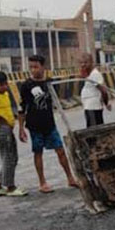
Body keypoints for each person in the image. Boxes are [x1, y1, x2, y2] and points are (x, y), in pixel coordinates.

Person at [18, 54, 78, 193]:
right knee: (38, 153)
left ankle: (70, 178)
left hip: (50, 124)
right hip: (34, 125)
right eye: (31, 67)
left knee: (61, 151)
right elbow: (22, 107)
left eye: (36, 67)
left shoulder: (50, 83)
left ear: (43, 67)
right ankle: (42, 182)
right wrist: (21, 128)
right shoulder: (26, 85)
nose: (33, 70)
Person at [79, 53, 111, 128]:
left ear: (91, 62)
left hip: (93, 108)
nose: (83, 65)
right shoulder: (89, 75)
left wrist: (106, 103)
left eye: (86, 62)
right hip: (89, 107)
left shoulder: (95, 74)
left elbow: (103, 90)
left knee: (94, 131)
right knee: (91, 129)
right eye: (81, 62)